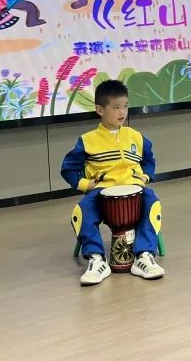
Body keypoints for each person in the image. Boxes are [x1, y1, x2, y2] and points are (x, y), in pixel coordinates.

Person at [61, 80, 164, 285]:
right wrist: (86, 185)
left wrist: (145, 176)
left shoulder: (136, 137)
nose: (122, 112)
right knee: (81, 212)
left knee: (152, 202)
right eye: (116, 107)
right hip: (102, 192)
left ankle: (144, 256)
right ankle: (96, 259)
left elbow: (149, 159)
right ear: (100, 110)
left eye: (125, 106)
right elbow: (68, 168)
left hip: (135, 190)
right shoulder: (88, 140)